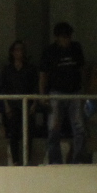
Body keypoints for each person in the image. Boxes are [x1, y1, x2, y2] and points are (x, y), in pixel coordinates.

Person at [37, 22, 86, 164]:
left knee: (79, 128)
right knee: (53, 129)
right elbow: (43, 74)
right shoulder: (50, 51)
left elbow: (82, 69)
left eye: (68, 37)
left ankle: (78, 160)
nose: (67, 40)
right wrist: (42, 94)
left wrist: (84, 91)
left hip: (75, 92)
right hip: (56, 92)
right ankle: (55, 160)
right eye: (64, 37)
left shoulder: (76, 48)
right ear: (57, 37)